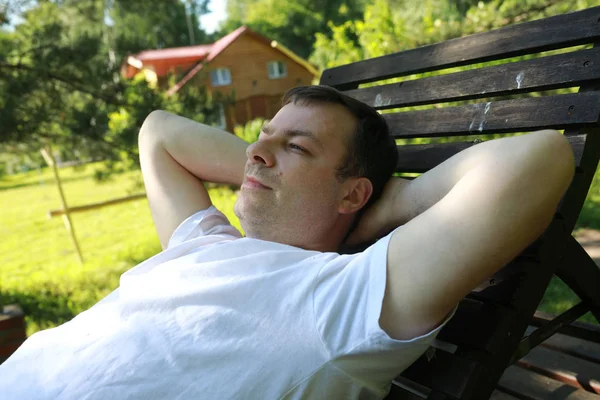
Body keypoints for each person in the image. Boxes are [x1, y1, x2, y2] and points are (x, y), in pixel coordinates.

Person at [0, 86, 574, 399]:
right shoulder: (203, 243)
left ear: (353, 194)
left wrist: (380, 208)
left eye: (296, 147)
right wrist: (273, 165)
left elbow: (539, 157)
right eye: (261, 137)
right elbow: (159, 131)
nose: (256, 151)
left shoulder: (343, 303)